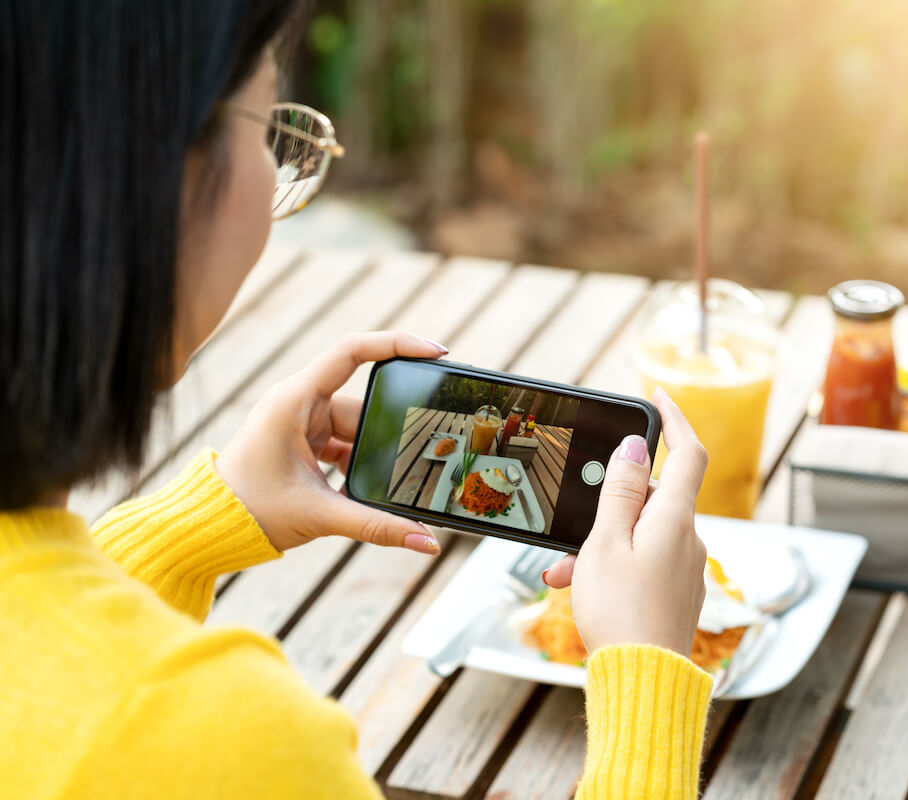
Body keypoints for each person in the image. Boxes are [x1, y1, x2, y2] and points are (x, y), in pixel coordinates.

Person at [0, 2, 713, 798]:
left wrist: (192, 533)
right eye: (269, 124)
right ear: (154, 177)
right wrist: (647, 674)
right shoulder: (221, 738)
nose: (281, 171)